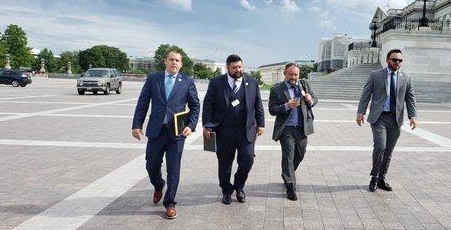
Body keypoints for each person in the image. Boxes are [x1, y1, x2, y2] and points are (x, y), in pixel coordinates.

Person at [132, 51, 200, 219]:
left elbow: (195, 105)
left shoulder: (187, 82)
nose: (174, 62)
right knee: (151, 164)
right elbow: (143, 102)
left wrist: (191, 126)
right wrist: (136, 125)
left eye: (177, 60)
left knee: (174, 169)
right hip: (156, 130)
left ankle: (170, 203)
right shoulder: (153, 79)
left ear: (181, 64)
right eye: (171, 59)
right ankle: (158, 184)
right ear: (165, 61)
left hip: (177, 133)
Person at [202, 54, 265, 205]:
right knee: (224, 164)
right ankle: (226, 190)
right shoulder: (216, 82)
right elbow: (208, 104)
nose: (238, 70)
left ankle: (239, 186)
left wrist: (261, 124)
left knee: (248, 159)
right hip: (223, 131)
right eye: (234, 67)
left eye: (240, 66)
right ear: (227, 68)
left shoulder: (252, 82)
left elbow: (258, 104)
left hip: (246, 131)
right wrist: (207, 125)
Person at [356, 48, 418, 192]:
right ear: (387, 60)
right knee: (380, 147)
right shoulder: (375, 75)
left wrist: (413, 116)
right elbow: (366, 95)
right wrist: (361, 112)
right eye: (394, 59)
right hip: (379, 117)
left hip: (395, 119)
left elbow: (410, 98)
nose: (397, 62)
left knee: (389, 151)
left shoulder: (406, 78)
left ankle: (381, 178)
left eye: (400, 60)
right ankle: (374, 176)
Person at [268, 62, 317, 201]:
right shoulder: (277, 89)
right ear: (285, 74)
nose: (294, 77)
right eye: (291, 74)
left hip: (302, 128)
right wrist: (286, 106)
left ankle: (287, 173)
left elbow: (315, 98)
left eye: (296, 74)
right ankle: (290, 187)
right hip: (286, 130)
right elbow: (272, 109)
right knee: (288, 156)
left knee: (300, 155)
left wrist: (310, 100)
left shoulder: (304, 85)